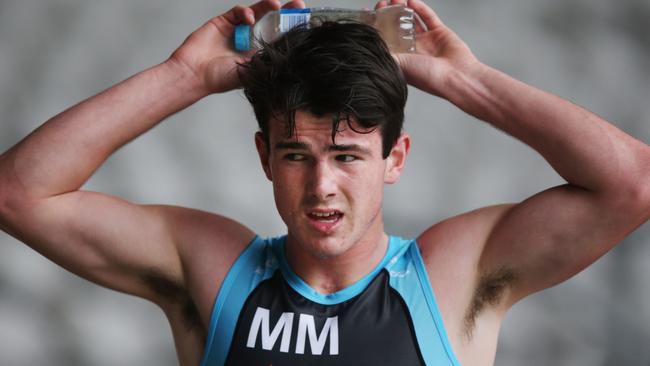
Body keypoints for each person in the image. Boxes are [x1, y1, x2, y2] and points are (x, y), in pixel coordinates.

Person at [0, 0, 648, 365]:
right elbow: (19, 193)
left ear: (395, 159)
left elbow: (632, 184)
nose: (322, 188)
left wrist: (465, 81)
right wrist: (185, 77)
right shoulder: (213, 271)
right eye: (296, 156)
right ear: (264, 157)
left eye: (348, 156)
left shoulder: (455, 276)